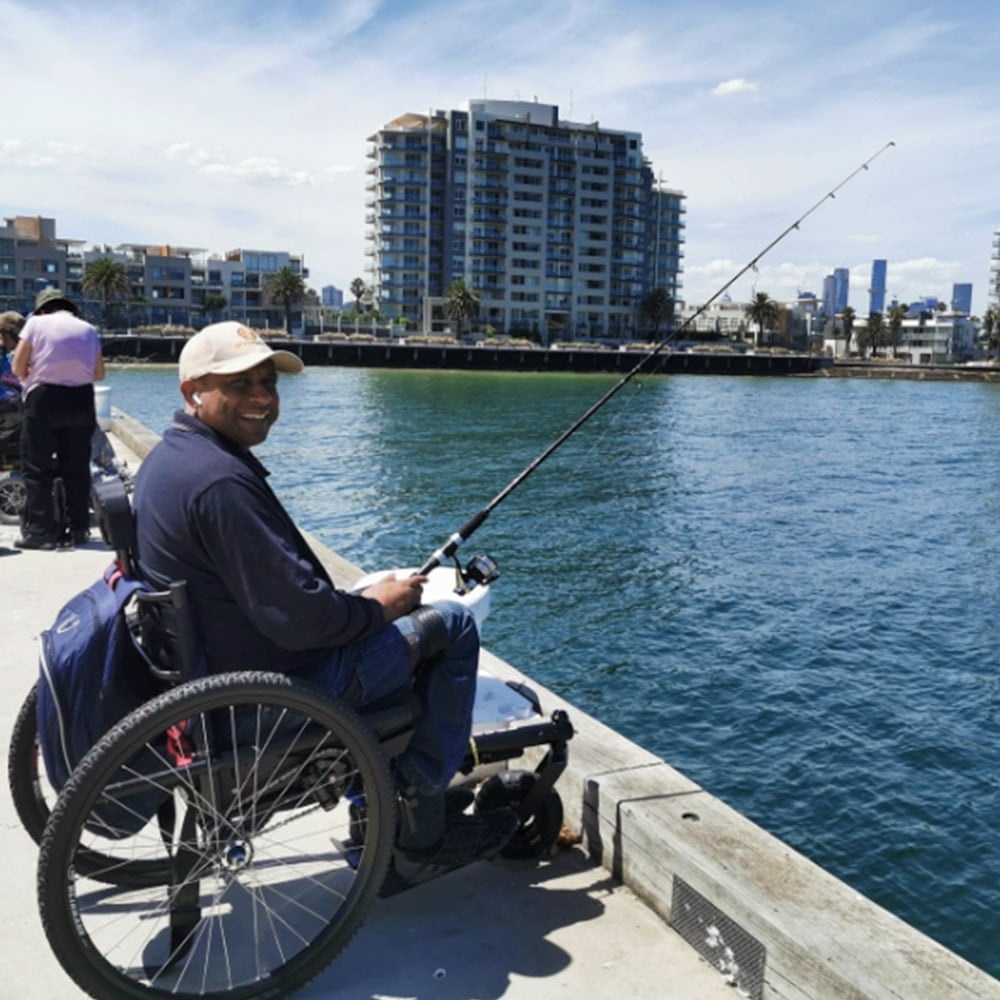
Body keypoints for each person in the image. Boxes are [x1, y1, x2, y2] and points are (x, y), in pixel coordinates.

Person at [133, 321, 516, 865]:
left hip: (215, 674)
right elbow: (300, 621)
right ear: (193, 391)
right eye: (240, 385)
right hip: (274, 692)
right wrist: (378, 606)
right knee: (451, 625)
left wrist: (359, 606)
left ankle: (393, 790)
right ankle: (420, 814)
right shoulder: (219, 483)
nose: (263, 398)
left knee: (389, 613)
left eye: (269, 383)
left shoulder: (170, 461)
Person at [11, 288, 105, 550]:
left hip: (44, 399)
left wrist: (36, 376)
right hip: (81, 400)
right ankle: (79, 528)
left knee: (37, 467)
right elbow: (98, 373)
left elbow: (18, 367)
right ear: (69, 308)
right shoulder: (88, 329)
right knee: (76, 467)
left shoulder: (35, 323)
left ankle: (41, 532)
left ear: (42, 308)